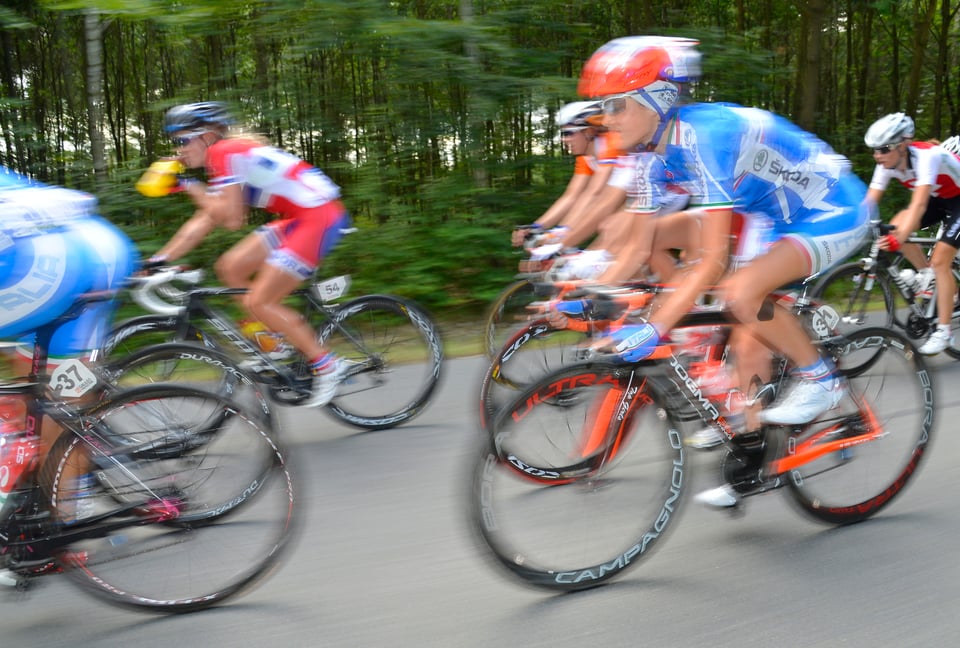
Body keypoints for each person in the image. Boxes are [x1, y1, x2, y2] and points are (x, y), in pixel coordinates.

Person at [577, 36, 870, 507]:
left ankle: (822, 379)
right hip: (767, 215)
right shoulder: (647, 151)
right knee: (742, 332)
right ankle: (752, 453)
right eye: (600, 108)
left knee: (741, 293)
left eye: (615, 106)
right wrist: (592, 290)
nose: (603, 119)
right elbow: (636, 242)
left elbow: (713, 257)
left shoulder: (704, 136)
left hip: (831, 208)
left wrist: (655, 326)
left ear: (659, 101)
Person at [149, 101, 351, 406]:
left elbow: (232, 220)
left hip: (319, 217)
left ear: (208, 136)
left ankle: (328, 365)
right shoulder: (225, 159)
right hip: (299, 218)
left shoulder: (224, 152)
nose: (178, 150)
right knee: (230, 267)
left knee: (261, 300)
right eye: (174, 142)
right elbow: (206, 219)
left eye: (182, 140)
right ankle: (276, 343)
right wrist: (158, 260)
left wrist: (186, 184)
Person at [0, 166, 138, 540]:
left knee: (47, 404)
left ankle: (57, 521)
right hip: (94, 247)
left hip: (45, 265)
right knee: (49, 399)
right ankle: (70, 505)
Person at [865, 112, 960, 354]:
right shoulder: (886, 164)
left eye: (883, 149)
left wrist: (897, 240)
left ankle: (944, 333)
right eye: (874, 150)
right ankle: (927, 276)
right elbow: (868, 203)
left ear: (902, 146)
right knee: (896, 224)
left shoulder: (928, 156)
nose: (878, 155)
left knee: (941, 261)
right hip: (941, 198)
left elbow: (917, 206)